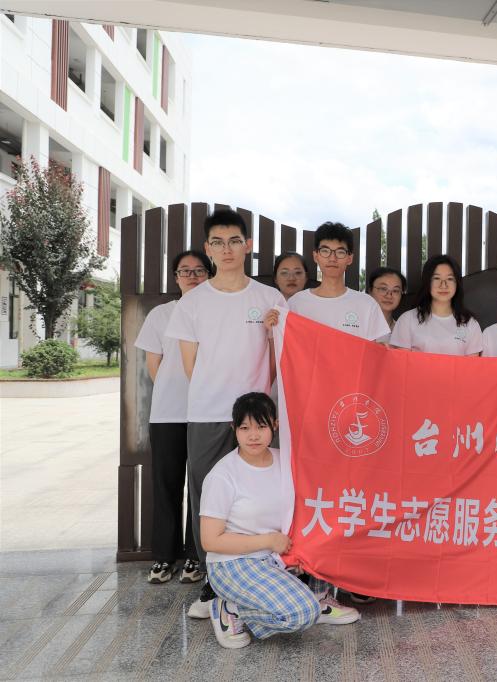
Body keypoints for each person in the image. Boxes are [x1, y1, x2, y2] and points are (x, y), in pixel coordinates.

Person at [165, 208, 286, 618]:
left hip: (256, 417)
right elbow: (191, 365)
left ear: (247, 245)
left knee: (261, 493)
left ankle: (261, 573)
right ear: (208, 248)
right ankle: (214, 586)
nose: (227, 249)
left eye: (234, 241)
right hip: (208, 412)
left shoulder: (269, 298)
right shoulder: (193, 302)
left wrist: (257, 405)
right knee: (207, 496)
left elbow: (278, 360)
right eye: (218, 242)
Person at [200, 392, 358, 649]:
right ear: (233, 428)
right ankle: (229, 608)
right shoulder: (223, 475)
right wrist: (269, 541)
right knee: (302, 614)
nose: (253, 435)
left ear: (275, 425)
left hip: (277, 556)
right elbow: (210, 541)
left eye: (261, 426)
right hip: (234, 563)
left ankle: (319, 597)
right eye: (244, 428)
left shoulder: (285, 460)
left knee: (331, 526)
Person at [134, 249, 213, 585]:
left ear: (208, 275)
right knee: (167, 484)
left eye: (199, 270)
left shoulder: (217, 312)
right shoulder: (161, 314)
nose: (192, 276)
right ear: (176, 277)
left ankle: (196, 555)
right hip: (168, 412)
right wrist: (176, 391)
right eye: (185, 271)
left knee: (201, 486)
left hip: (208, 411)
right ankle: (164, 557)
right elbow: (155, 366)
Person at [268, 222, 388, 342]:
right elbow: (284, 348)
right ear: (316, 256)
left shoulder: (367, 305)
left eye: (340, 252)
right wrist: (271, 329)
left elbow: (378, 350)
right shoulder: (296, 304)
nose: (332, 258)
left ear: (350, 258)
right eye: (325, 251)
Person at [390, 255, 482, 356]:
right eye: (437, 278)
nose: (443, 285)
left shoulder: (470, 323)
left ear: (457, 283)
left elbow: (472, 364)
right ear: (427, 282)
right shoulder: (407, 320)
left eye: (450, 279)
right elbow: (402, 362)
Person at [366, 266, 407, 341]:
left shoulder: (403, 331)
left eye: (395, 291)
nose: (389, 295)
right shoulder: (358, 326)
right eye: (383, 289)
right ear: (370, 291)